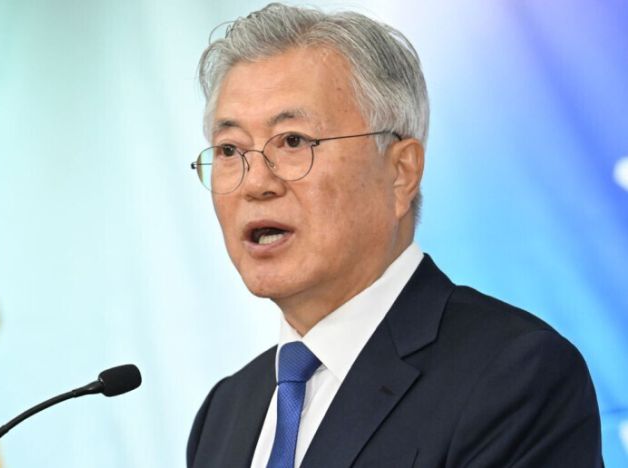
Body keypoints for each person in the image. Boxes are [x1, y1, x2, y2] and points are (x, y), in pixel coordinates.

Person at [186, 4, 603, 467]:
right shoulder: (224, 413)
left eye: (293, 141)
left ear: (401, 172)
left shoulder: (513, 376)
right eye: (230, 150)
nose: (255, 182)